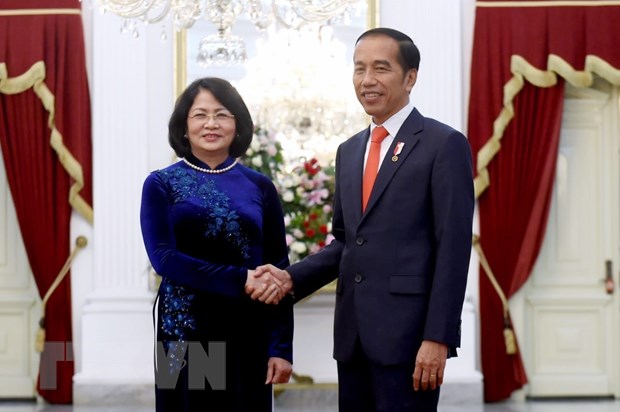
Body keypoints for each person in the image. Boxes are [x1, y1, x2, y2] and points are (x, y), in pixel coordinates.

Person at [248, 28, 474, 411]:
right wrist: (290, 278)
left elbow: (453, 249)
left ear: (410, 77)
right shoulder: (349, 150)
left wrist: (438, 337)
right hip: (353, 338)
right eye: (359, 69)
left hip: (409, 339)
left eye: (380, 68)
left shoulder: (443, 144)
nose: (367, 80)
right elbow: (347, 241)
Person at [140, 77, 293, 411]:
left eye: (222, 114)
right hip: (185, 328)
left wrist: (281, 347)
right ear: (184, 127)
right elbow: (164, 259)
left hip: (247, 327)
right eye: (200, 115)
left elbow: (279, 270)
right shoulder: (161, 183)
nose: (211, 123)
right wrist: (241, 279)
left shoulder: (260, 186)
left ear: (237, 125)